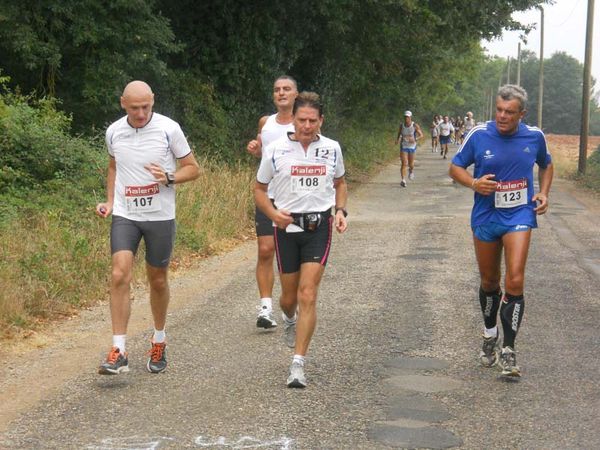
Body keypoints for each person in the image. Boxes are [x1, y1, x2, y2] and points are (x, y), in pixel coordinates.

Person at [96, 80, 201, 375]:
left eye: (146, 106)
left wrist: (168, 177)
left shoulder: (169, 128)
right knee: (119, 273)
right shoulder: (114, 131)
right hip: (126, 215)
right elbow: (114, 166)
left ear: (153, 100)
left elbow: (193, 169)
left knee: (157, 280)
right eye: (134, 108)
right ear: (122, 104)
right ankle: (119, 350)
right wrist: (109, 202)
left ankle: (159, 339)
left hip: (160, 216)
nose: (141, 113)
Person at [449, 84, 553, 378]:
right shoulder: (479, 134)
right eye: (499, 110)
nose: (502, 116)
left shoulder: (534, 136)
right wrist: (473, 183)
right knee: (490, 280)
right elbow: (455, 167)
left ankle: (509, 350)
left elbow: (547, 164)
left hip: (519, 214)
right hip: (486, 215)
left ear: (522, 113)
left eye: (509, 112)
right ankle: (488, 334)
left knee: (515, 279)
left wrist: (543, 192)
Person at [254, 92, 348, 388]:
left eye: (312, 120)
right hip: (287, 228)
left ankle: (298, 364)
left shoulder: (332, 148)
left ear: (321, 120)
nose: (307, 126)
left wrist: (341, 210)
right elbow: (259, 189)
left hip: (319, 226)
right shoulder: (276, 149)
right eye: (301, 120)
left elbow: (341, 182)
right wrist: (273, 214)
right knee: (288, 299)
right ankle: (289, 320)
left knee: (308, 294)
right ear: (292, 120)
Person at [247, 76, 298, 329]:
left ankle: (291, 302)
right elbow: (262, 151)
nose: (281, 93)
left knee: (291, 254)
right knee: (266, 249)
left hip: (296, 197)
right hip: (269, 195)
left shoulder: (304, 122)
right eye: (277, 90)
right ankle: (265, 308)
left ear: (296, 95)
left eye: (286, 89)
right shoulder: (266, 122)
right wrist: (256, 147)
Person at [395, 111, 424, 187]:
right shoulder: (402, 125)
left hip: (412, 146)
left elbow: (421, 135)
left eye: (407, 117)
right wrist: (397, 139)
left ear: (410, 117)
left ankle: (411, 171)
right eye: (405, 117)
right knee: (404, 163)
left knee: (411, 164)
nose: (406, 118)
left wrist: (415, 139)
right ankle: (403, 180)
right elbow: (399, 133)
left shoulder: (414, 125)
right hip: (404, 146)